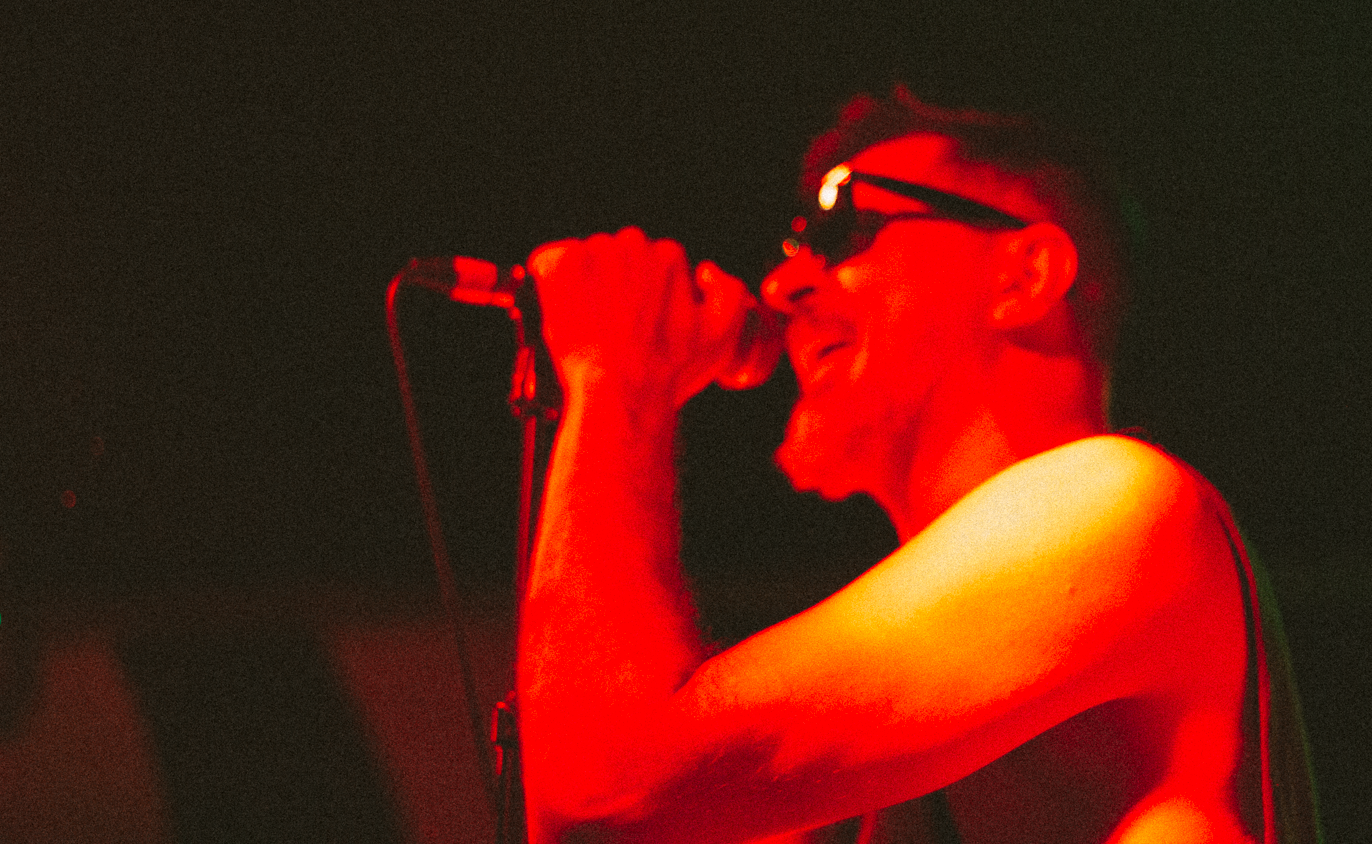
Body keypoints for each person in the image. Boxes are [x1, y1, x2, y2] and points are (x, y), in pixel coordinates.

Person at [517, 88, 1318, 844]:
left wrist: (615, 380)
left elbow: (605, 784)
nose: (785, 282)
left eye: (842, 229)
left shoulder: (1127, 504)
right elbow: (602, 805)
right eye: (793, 245)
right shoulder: (902, 744)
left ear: (1024, 275)